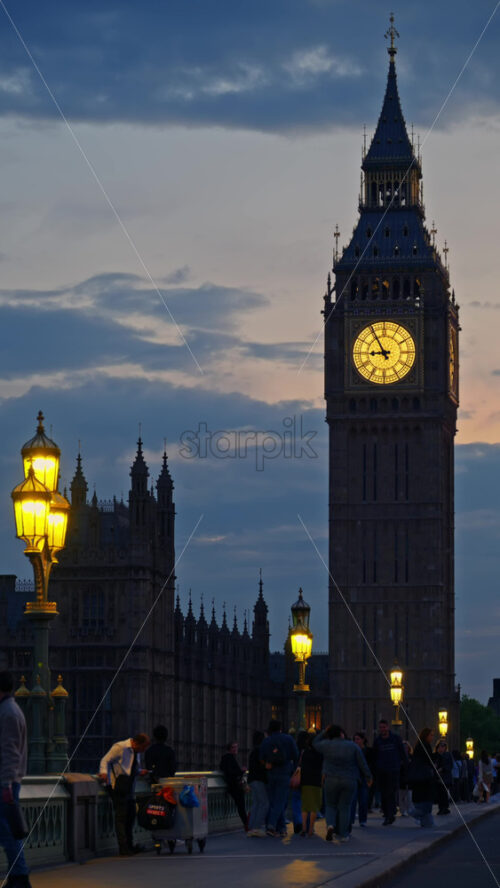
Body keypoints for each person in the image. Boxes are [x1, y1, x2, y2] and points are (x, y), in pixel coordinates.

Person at [313, 724, 372, 843]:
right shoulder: (353, 746)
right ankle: (344, 834)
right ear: (341, 734)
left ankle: (330, 825)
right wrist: (368, 777)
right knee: (345, 807)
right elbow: (362, 763)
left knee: (330, 805)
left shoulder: (326, 745)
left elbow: (315, 742)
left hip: (331, 778)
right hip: (349, 779)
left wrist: (324, 732)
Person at [0, 671, 31, 888]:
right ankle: (18, 876)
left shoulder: (8, 712)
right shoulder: (12, 710)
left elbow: (10, 753)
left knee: (8, 831)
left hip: (6, 783)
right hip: (9, 781)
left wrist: (6, 784)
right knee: (9, 830)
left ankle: (19, 877)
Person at [99, 732, 150, 856]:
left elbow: (129, 768)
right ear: (137, 743)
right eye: (143, 747)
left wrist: (139, 772)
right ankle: (123, 847)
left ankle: (130, 845)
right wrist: (104, 773)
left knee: (131, 815)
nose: (143, 751)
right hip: (118, 786)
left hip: (129, 787)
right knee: (121, 817)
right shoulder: (120, 747)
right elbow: (105, 760)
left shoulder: (135, 752)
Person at [260, 719, 299, 837]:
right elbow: (296, 755)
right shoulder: (288, 739)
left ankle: (281, 828)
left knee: (273, 801)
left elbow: (261, 757)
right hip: (284, 773)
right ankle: (272, 826)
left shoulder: (266, 741)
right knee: (281, 801)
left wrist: (267, 764)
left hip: (271, 773)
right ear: (280, 728)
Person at [372, 719, 406, 825]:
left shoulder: (395, 739)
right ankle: (387, 813)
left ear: (388, 727)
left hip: (393, 770)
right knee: (383, 793)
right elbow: (375, 755)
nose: (382, 729)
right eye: (381, 727)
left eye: (384, 727)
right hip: (381, 770)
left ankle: (390, 814)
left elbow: (402, 753)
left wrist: (404, 765)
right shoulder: (377, 741)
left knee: (390, 792)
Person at [408, 728, 435, 828]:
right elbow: (428, 760)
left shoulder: (418, 746)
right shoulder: (425, 746)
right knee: (426, 804)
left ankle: (427, 823)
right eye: (431, 735)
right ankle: (414, 813)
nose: (432, 737)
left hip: (419, 778)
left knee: (424, 803)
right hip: (424, 777)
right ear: (426, 735)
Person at [219, 741, 248, 829]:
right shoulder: (229, 758)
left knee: (241, 806)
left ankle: (246, 823)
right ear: (229, 749)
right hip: (235, 786)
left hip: (233, 785)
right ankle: (246, 824)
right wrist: (241, 771)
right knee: (241, 806)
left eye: (236, 747)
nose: (236, 749)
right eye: (233, 747)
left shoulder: (227, 758)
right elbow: (231, 772)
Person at [299, 732, 323, 836]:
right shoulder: (320, 753)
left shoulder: (305, 752)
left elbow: (301, 764)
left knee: (305, 806)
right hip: (316, 781)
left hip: (305, 780)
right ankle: (310, 828)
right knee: (314, 806)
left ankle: (304, 827)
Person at [247, 731, 268, 837]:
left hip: (251, 779)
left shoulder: (253, 751)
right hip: (259, 779)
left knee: (256, 803)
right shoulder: (260, 750)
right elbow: (262, 766)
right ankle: (257, 827)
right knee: (264, 803)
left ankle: (251, 827)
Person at [350, 732, 370, 828]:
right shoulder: (352, 751)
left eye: (358, 739)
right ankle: (351, 819)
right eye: (355, 739)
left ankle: (363, 819)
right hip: (354, 778)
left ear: (362, 740)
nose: (356, 741)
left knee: (363, 800)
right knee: (352, 800)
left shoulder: (366, 751)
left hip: (363, 778)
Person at [434, 739, 453, 814]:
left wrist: (443, 769)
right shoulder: (436, 755)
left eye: (444, 745)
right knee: (439, 793)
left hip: (445, 776)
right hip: (437, 777)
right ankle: (441, 807)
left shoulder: (448, 755)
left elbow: (450, 765)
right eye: (441, 745)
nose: (442, 747)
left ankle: (444, 808)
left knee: (444, 792)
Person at [398, 741, 412, 817]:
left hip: (409, 778)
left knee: (409, 796)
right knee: (401, 796)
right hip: (401, 778)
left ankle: (408, 809)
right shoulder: (399, 757)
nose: (405, 748)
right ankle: (402, 810)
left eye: (406, 747)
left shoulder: (411, 756)